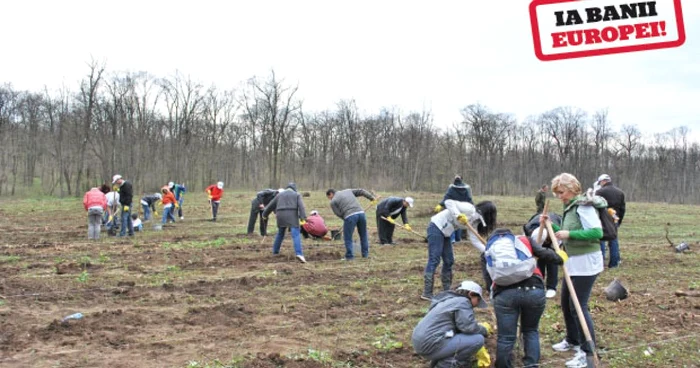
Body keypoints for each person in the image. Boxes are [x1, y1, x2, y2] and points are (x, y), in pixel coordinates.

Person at [543, 173, 607, 368]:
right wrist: (550, 224)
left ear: (572, 189)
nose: (559, 196)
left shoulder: (583, 206)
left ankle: (587, 351)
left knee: (578, 306)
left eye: (561, 192)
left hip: (586, 263)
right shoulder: (570, 207)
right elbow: (564, 232)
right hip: (573, 262)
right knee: (566, 303)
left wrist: (569, 234)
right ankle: (572, 339)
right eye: (557, 193)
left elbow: (597, 232)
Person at [486, 228, 567, 368]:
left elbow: (489, 278)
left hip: (505, 295)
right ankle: (531, 364)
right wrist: (560, 257)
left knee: (505, 337)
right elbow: (544, 254)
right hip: (534, 291)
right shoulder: (523, 240)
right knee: (530, 330)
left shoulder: (490, 248)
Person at [412, 280, 492, 368]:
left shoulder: (448, 300)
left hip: (420, 342)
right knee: (477, 339)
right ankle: (448, 365)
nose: (477, 304)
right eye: (478, 299)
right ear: (471, 294)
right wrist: (483, 330)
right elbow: (468, 327)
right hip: (430, 344)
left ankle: (438, 364)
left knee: (456, 338)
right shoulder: (463, 302)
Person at [422, 199, 486, 301]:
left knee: (449, 260)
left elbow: (475, 240)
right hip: (436, 227)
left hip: (447, 233)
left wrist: (487, 251)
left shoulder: (476, 222)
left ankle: (447, 290)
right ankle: (427, 293)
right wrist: (458, 215)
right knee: (434, 259)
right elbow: (448, 202)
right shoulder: (469, 208)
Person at [326, 188, 377, 260]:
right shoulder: (348, 191)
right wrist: (371, 198)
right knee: (363, 235)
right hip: (361, 214)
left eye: (329, 198)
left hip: (349, 216)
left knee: (347, 237)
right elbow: (361, 191)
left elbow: (338, 213)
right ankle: (365, 254)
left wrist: (346, 219)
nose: (330, 199)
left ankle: (349, 256)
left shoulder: (333, 201)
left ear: (330, 194)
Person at [262, 183, 308, 263]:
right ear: (294, 189)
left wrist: (264, 215)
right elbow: (301, 207)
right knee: (295, 234)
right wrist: (302, 218)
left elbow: (270, 205)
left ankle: (275, 252)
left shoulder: (279, 195)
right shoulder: (296, 195)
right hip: (292, 216)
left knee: (280, 233)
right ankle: (299, 254)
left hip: (280, 216)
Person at [523, 212, 564, 298]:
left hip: (553, 233)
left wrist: (560, 257)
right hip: (536, 236)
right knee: (538, 261)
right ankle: (538, 284)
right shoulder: (529, 229)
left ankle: (551, 287)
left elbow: (557, 252)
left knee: (552, 260)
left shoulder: (556, 232)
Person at [594, 174, 626, 268]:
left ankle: (601, 263)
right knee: (614, 240)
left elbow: (595, 206)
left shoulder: (599, 192)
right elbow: (623, 209)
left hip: (602, 219)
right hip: (615, 218)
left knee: (601, 239)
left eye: (600, 182)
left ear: (603, 181)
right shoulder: (620, 192)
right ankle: (614, 263)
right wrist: (619, 220)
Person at [435, 175, 473, 243]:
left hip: (454, 209)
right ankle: (457, 239)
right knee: (458, 223)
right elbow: (469, 199)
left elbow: (447, 197)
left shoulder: (454, 188)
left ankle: (453, 239)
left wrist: (441, 204)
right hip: (461, 209)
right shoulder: (463, 188)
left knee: (452, 223)